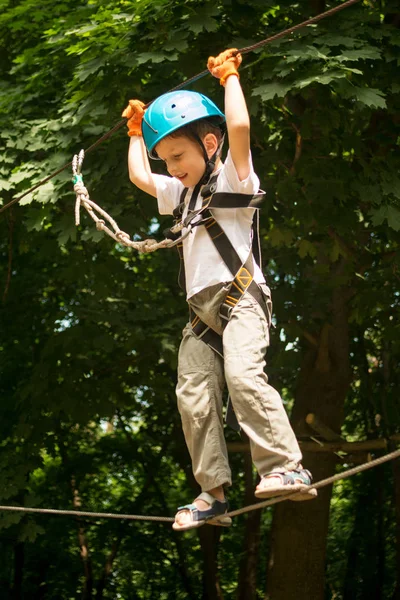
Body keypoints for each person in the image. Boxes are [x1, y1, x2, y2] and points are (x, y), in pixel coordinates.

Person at [122, 48, 316, 532]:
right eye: (166, 159)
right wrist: (134, 132)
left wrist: (229, 79)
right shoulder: (180, 193)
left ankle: (285, 466)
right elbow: (138, 176)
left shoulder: (231, 176)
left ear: (209, 144)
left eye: (179, 156)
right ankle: (213, 494)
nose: (172, 167)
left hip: (241, 298)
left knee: (244, 376)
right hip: (200, 315)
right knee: (194, 396)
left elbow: (240, 132)